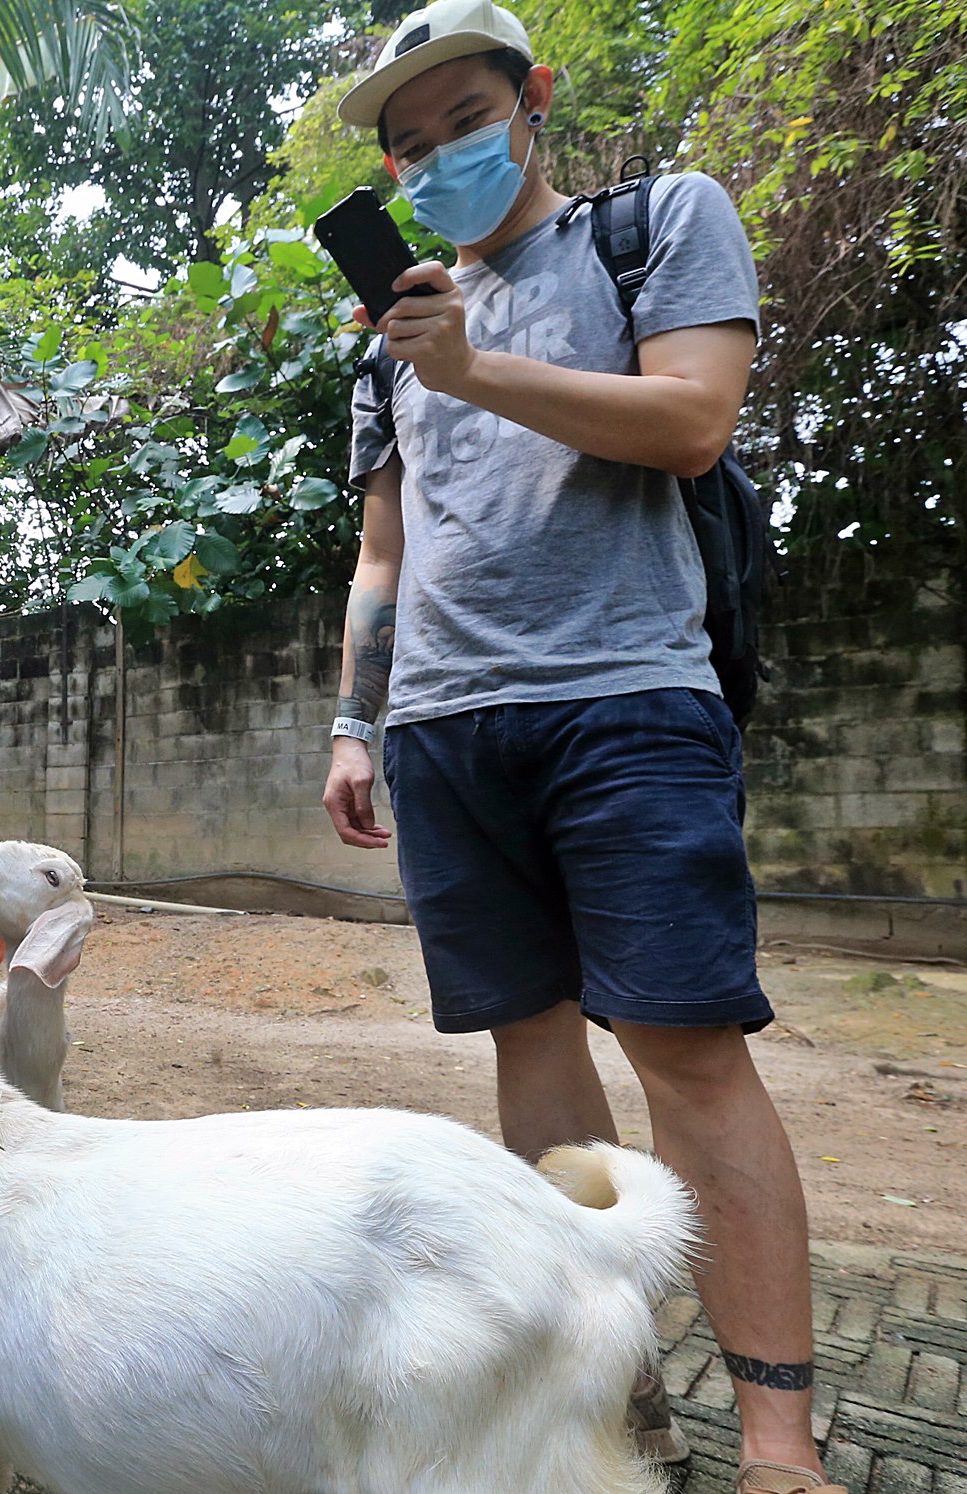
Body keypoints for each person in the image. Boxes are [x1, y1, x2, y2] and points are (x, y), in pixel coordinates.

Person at [320, 4, 839, 1493]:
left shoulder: (658, 224)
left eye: (463, 123)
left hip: (627, 699)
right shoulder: (396, 337)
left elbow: (692, 420)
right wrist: (358, 716)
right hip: (445, 729)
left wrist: (477, 369)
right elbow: (383, 550)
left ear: (534, 99)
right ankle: (610, 1386)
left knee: (687, 1053)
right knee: (532, 1046)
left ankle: (778, 1437)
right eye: (407, 149)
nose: (435, 164)